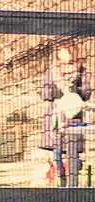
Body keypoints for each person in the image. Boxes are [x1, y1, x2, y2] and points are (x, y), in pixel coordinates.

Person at [41, 46, 92, 187]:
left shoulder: (81, 72)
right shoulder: (52, 72)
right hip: (56, 118)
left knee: (73, 154)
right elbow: (44, 93)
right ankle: (61, 181)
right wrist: (58, 90)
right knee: (57, 152)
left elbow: (86, 93)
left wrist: (74, 91)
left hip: (74, 117)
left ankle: (72, 182)